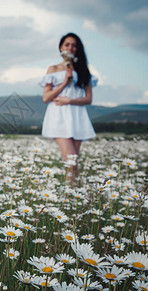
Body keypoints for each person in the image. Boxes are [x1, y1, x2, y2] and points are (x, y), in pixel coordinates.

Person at [38, 32, 97, 184]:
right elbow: (46, 98)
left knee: (74, 164)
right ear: (61, 48)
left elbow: (88, 99)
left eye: (74, 45)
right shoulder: (53, 69)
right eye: (67, 44)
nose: (70, 48)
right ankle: (71, 195)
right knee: (71, 162)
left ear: (78, 49)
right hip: (59, 116)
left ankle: (72, 196)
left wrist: (69, 100)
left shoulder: (83, 70)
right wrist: (64, 82)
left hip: (77, 116)